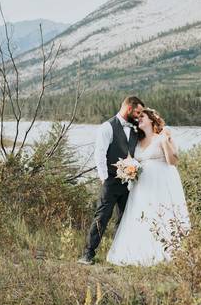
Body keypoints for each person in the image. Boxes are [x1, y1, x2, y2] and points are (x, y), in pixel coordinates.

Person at [106, 107, 191, 266]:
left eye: (142, 116)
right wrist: (127, 168)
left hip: (161, 184)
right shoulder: (137, 141)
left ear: (152, 119)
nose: (139, 119)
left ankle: (167, 251)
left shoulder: (162, 137)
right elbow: (132, 159)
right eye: (137, 118)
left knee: (160, 214)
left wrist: (165, 141)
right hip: (142, 186)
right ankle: (141, 251)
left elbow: (173, 161)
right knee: (142, 216)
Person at [78, 96, 145, 265]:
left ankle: (120, 254)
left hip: (130, 182)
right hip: (110, 181)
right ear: (129, 108)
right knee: (102, 216)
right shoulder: (107, 127)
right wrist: (104, 178)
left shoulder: (136, 129)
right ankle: (88, 253)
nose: (139, 116)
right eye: (137, 112)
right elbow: (99, 154)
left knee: (125, 218)